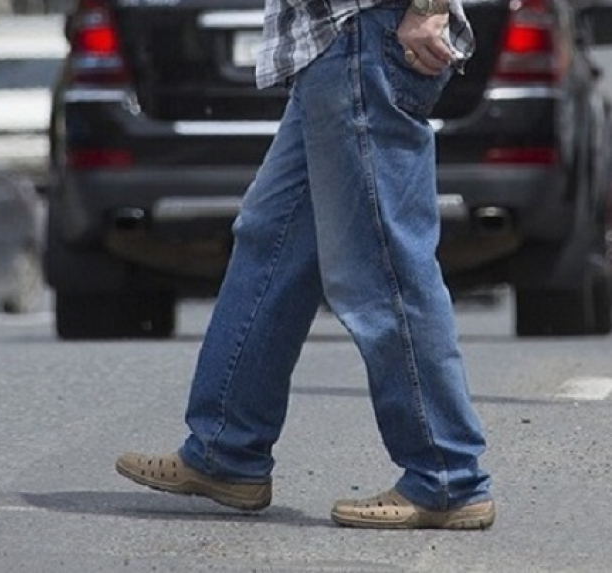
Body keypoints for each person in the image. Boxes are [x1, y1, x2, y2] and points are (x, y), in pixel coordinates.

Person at [116, 0, 495, 530]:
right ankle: (226, 449)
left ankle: (446, 476)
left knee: (384, 266)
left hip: (366, 37)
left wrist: (428, 7)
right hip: (332, 46)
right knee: (269, 239)